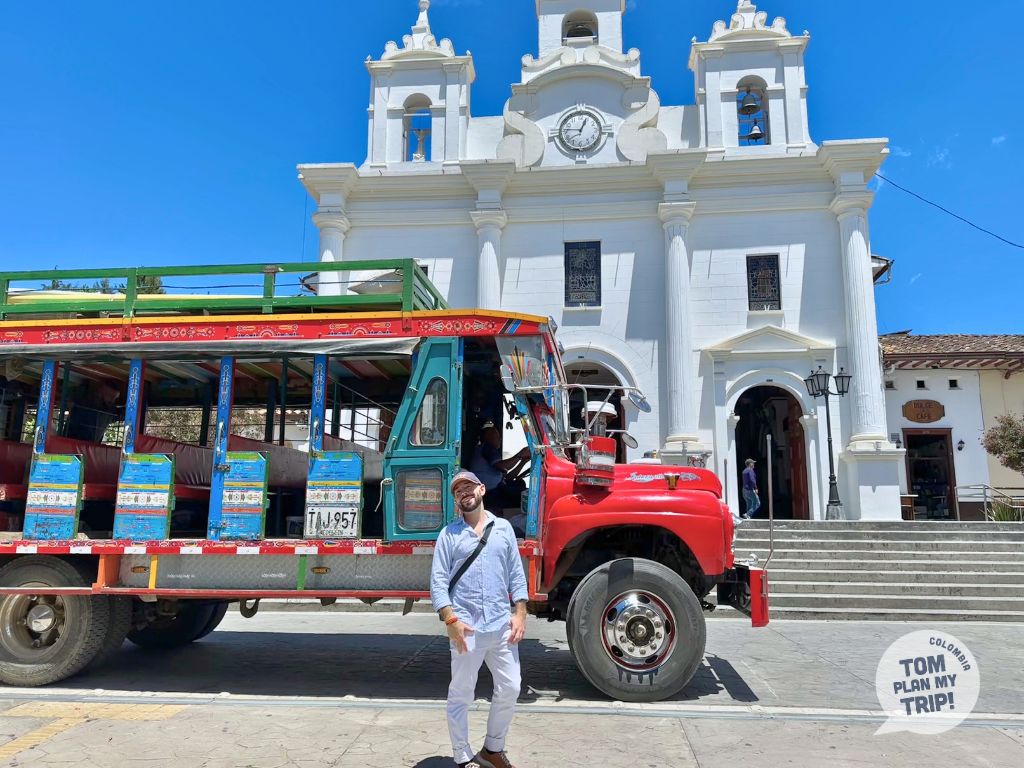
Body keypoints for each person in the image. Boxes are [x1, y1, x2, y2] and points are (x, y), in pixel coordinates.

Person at [431, 470, 528, 768]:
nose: (464, 493)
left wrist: (520, 613)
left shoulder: (503, 529)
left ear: (482, 490)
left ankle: (493, 749)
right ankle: (462, 756)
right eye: (458, 490)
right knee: (461, 693)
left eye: (469, 487)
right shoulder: (448, 535)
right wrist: (451, 621)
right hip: (466, 629)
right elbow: (437, 583)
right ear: (456, 500)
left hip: (500, 625)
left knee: (511, 687)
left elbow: (516, 573)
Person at [470, 423, 530, 511]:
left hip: (496, 490)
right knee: (524, 496)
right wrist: (520, 454)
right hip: (491, 494)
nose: (500, 439)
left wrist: (522, 462)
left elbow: (507, 477)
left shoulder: (488, 451)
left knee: (520, 484)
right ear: (488, 437)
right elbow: (503, 466)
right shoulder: (487, 448)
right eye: (497, 437)